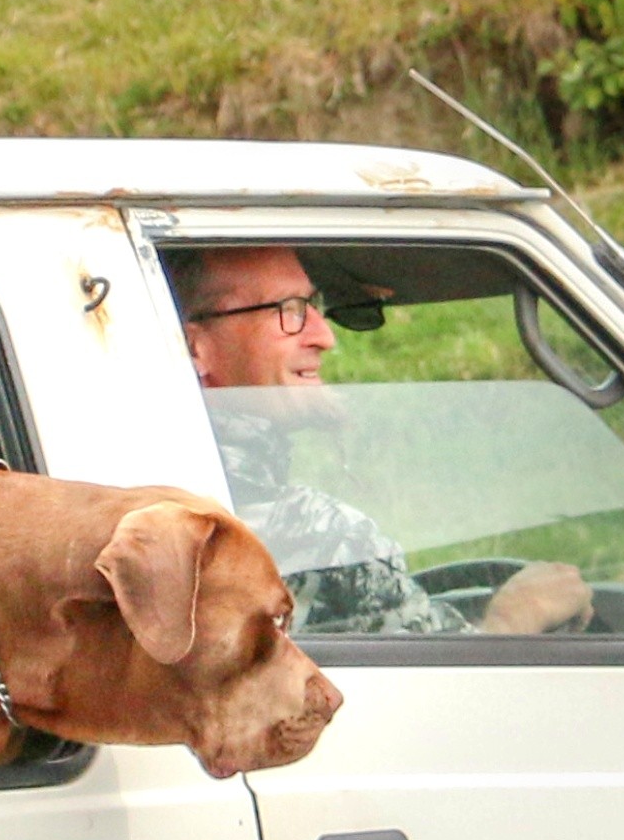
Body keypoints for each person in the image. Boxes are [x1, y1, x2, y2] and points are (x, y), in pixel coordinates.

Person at [167, 244, 588, 637]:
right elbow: (449, 692)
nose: (324, 336)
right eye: (289, 310)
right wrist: (516, 616)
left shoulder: (147, 487)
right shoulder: (323, 539)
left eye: (312, 307)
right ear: (194, 348)